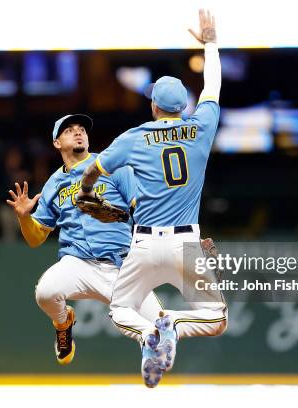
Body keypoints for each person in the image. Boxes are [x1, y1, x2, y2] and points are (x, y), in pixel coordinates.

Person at [78, 10, 226, 388]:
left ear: (154, 106)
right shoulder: (201, 126)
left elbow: (94, 169)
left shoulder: (135, 136)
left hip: (143, 243)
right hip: (186, 242)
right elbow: (213, 87)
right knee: (216, 319)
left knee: (120, 310)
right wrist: (210, 42)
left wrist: (87, 190)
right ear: (183, 107)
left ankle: (150, 335)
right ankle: (172, 322)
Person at [5, 114, 162, 365]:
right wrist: (24, 217)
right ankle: (63, 322)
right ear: (57, 143)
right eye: (69, 130)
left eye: (81, 129)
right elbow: (36, 239)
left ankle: (151, 358)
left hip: (119, 265)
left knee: (161, 329)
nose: (78, 133)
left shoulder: (111, 165)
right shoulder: (54, 183)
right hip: (77, 263)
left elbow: (141, 207)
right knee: (46, 292)